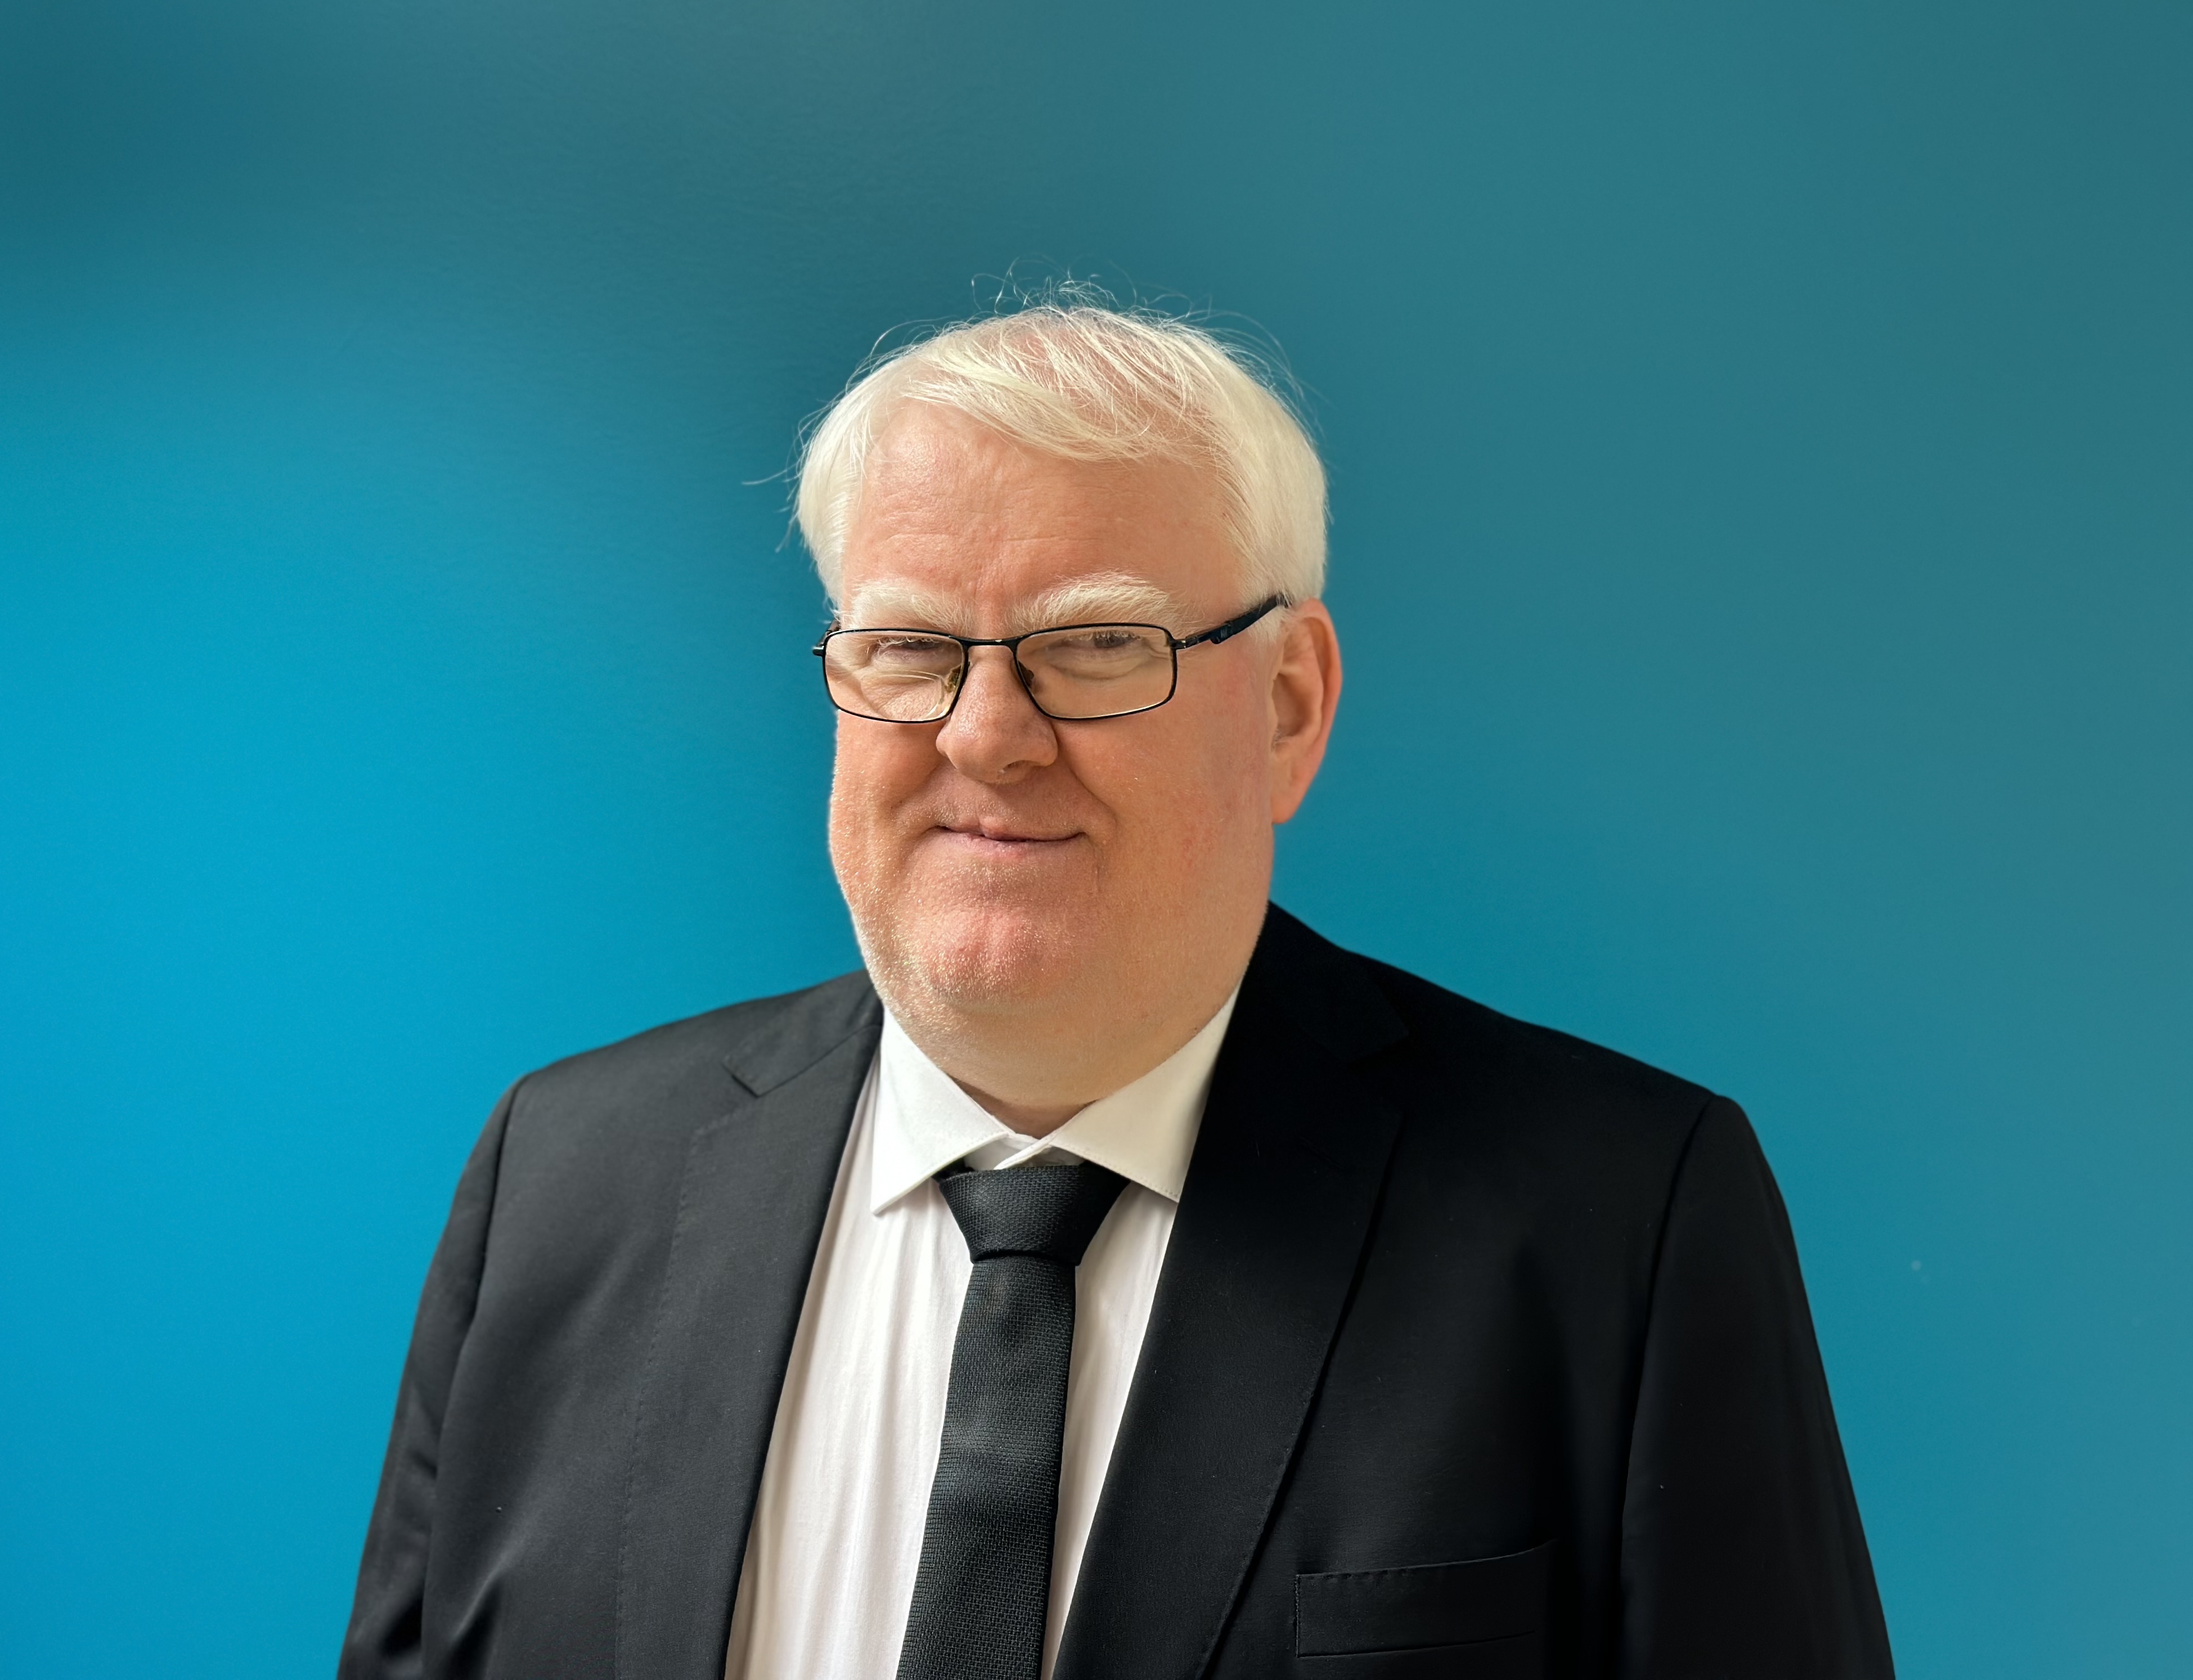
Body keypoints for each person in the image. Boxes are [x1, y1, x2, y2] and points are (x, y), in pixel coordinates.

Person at [339, 301, 1893, 1680]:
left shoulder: (1619, 1224)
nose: (984, 735)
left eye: (1095, 644)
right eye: (910, 646)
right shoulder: (562, 1181)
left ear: (1289, 705)